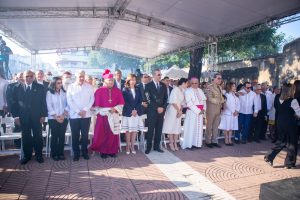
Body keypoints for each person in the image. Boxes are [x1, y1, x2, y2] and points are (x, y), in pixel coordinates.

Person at [12, 70, 47, 165]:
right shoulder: (17, 88)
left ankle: (38, 155)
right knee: (26, 137)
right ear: (23, 77)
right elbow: (14, 103)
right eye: (27, 76)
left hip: (37, 117)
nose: (29, 78)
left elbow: (43, 102)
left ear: (34, 77)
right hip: (23, 118)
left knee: (38, 137)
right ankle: (27, 156)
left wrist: (43, 115)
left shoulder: (40, 87)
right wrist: (16, 117)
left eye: (31, 76)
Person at [89, 69, 124, 158]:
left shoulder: (118, 91)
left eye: (112, 80)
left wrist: (115, 109)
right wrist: (103, 111)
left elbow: (121, 104)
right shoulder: (99, 91)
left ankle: (112, 151)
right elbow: (95, 106)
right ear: (105, 80)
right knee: (102, 133)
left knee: (113, 133)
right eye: (109, 80)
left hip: (113, 114)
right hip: (103, 115)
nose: (111, 82)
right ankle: (103, 151)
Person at [264, 83, 300, 169]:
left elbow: (277, 108)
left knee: (281, 141)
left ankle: (269, 157)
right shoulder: (293, 100)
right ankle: (289, 163)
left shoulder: (277, 98)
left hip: (280, 122)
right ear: (291, 90)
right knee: (292, 143)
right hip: (291, 123)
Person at [67, 70, 94, 161]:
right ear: (76, 76)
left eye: (83, 76)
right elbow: (69, 101)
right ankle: (76, 153)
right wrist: (78, 111)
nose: (81, 78)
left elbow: (92, 99)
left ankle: (84, 152)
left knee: (85, 135)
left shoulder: (89, 87)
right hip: (74, 115)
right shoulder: (70, 87)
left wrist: (85, 110)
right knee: (75, 135)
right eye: (80, 76)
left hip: (86, 115)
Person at [144, 69, 168, 154]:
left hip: (161, 112)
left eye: (160, 75)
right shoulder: (148, 85)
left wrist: (162, 108)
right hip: (152, 111)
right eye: (158, 75)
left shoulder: (163, 85)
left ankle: (157, 147)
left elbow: (166, 98)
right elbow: (148, 99)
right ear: (154, 75)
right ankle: (148, 147)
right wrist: (157, 107)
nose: (160, 76)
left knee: (159, 129)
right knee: (150, 130)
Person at [121, 74, 144, 154]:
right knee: (128, 131)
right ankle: (127, 146)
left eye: (134, 79)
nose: (133, 81)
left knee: (134, 131)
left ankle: (132, 146)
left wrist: (136, 110)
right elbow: (125, 102)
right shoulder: (125, 89)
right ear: (128, 80)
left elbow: (140, 100)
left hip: (136, 113)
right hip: (128, 113)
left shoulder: (138, 89)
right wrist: (132, 110)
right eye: (131, 80)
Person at [162, 78, 188, 151]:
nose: (187, 85)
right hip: (173, 110)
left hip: (179, 109)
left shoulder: (183, 91)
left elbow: (183, 102)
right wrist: (178, 111)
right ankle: (171, 143)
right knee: (171, 127)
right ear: (183, 83)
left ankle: (175, 143)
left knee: (177, 127)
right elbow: (173, 102)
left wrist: (180, 111)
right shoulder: (175, 90)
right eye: (186, 83)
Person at [46, 77, 68, 161]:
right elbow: (49, 105)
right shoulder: (49, 93)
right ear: (54, 84)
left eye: (60, 83)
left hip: (63, 117)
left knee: (62, 136)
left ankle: (61, 153)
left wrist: (63, 115)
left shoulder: (64, 92)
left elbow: (67, 105)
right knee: (54, 136)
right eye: (58, 83)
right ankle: (54, 154)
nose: (60, 84)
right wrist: (56, 117)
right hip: (53, 118)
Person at [182, 78, 206, 150]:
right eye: (193, 83)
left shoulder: (200, 90)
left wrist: (204, 109)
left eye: (196, 83)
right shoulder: (187, 91)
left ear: (198, 83)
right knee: (191, 128)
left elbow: (204, 101)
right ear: (190, 83)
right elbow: (189, 103)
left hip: (200, 112)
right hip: (192, 112)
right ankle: (189, 144)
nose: (194, 85)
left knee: (198, 128)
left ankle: (197, 143)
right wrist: (198, 111)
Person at [205, 73, 224, 148]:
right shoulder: (209, 87)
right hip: (211, 108)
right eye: (218, 78)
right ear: (214, 79)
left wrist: (222, 101)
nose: (220, 80)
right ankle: (208, 141)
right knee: (209, 126)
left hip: (218, 108)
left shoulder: (220, 87)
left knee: (216, 126)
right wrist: (219, 101)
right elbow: (209, 98)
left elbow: (221, 97)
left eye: (220, 78)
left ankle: (214, 141)